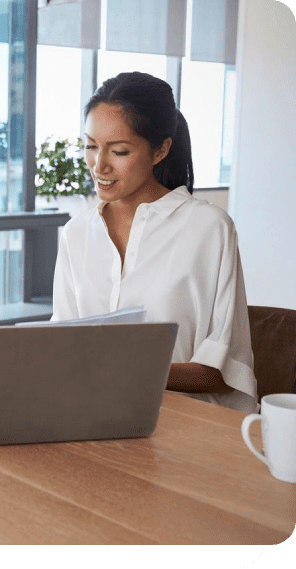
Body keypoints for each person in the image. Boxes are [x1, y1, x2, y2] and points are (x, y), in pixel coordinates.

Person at [52, 71, 258, 413]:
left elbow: (225, 371)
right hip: (88, 415)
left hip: (184, 427)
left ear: (161, 149)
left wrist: (128, 371)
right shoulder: (77, 232)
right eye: (90, 146)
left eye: (118, 151)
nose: (98, 165)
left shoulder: (209, 229)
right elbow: (61, 345)